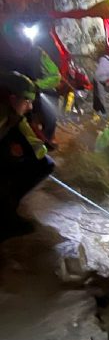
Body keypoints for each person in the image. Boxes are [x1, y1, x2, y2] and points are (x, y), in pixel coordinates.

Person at [0, 71, 54, 239]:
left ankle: (8, 208)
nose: (30, 107)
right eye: (27, 101)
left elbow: (27, 132)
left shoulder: (14, 113)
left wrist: (39, 150)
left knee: (45, 164)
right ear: (12, 98)